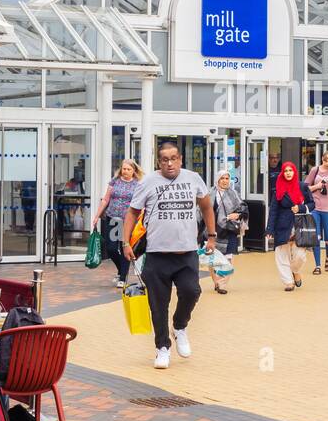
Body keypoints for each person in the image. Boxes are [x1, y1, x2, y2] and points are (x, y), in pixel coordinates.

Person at [122, 142, 216, 370]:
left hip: (186, 254)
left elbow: (206, 207)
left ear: (181, 159)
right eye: (165, 159)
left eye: (174, 158)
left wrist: (211, 236)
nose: (170, 163)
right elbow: (133, 212)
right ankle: (162, 348)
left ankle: (180, 326)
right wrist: (125, 242)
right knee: (157, 305)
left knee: (192, 291)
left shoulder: (193, 178)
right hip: (157, 255)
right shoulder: (148, 182)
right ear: (159, 162)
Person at [91, 159, 143, 289]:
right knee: (111, 248)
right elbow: (105, 199)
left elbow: (140, 204)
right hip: (112, 218)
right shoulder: (115, 181)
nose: (125, 171)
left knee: (125, 246)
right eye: (124, 169)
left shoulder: (137, 185)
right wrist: (97, 215)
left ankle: (123, 277)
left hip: (128, 221)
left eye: (128, 169)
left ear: (134, 171)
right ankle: (121, 270)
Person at [268, 161, 315, 292]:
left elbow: (312, 204)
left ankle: (295, 271)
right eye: (286, 171)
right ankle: (288, 282)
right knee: (282, 255)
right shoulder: (278, 188)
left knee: (300, 255)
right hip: (282, 225)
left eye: (290, 170)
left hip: (299, 224)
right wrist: (269, 229)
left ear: (294, 172)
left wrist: (300, 207)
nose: (288, 173)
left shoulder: (302, 186)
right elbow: (273, 210)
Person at [208, 169, 244, 295]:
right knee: (213, 258)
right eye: (222, 178)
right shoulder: (210, 193)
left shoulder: (233, 194)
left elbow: (243, 208)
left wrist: (237, 215)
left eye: (227, 178)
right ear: (217, 179)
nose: (225, 181)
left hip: (228, 230)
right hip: (213, 230)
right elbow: (201, 211)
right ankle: (216, 281)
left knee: (227, 258)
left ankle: (222, 284)